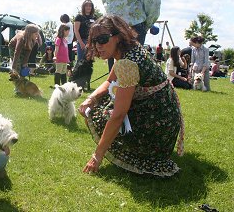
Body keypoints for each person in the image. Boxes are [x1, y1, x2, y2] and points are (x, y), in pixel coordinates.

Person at [78, 15, 184, 177]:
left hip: (156, 125)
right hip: (165, 116)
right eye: (94, 41)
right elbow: (110, 81)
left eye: (103, 39)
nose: (98, 45)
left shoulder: (127, 64)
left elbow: (119, 115)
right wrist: (90, 98)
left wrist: (97, 156)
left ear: (118, 37)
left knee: (98, 112)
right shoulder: (130, 50)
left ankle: (140, 152)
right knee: (99, 101)